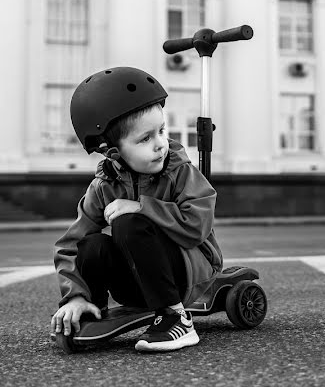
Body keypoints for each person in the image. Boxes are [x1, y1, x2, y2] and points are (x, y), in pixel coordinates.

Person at [51, 66, 223, 352]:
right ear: (112, 152)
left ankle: (176, 318)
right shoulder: (104, 186)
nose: (160, 145)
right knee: (90, 243)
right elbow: (68, 245)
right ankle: (90, 307)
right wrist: (74, 296)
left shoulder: (180, 172)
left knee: (128, 222)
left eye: (161, 131)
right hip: (136, 283)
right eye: (145, 139)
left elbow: (197, 226)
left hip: (187, 275)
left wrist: (142, 207)